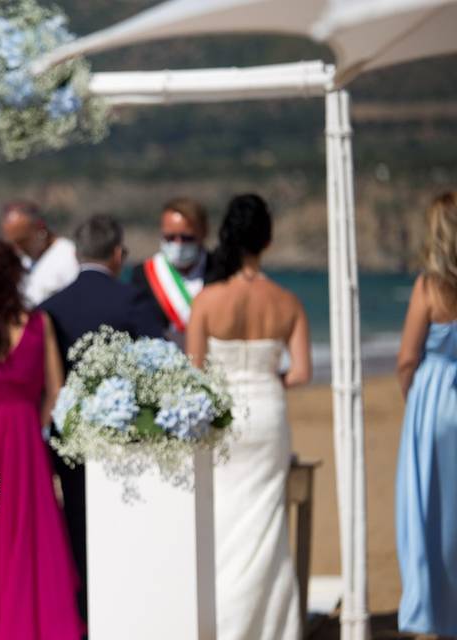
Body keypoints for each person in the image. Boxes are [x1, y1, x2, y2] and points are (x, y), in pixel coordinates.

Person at [185, 194, 309, 640]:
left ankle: (220, 624)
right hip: (268, 415)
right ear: (268, 241)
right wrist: (265, 377)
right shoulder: (287, 301)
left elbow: (193, 373)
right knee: (265, 524)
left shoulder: (208, 300)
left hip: (224, 419)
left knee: (222, 522)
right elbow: (300, 372)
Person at [0, 239, 83, 640]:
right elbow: (57, 391)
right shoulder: (40, 324)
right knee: (29, 541)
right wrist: (34, 427)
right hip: (25, 443)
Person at [38, 214, 165, 621]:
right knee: (129, 526)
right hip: (126, 435)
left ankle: (87, 615)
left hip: (70, 436)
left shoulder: (49, 309)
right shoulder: (133, 302)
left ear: (76, 255)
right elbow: (160, 366)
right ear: (117, 254)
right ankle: (126, 610)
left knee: (78, 524)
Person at [395, 191, 457, 637]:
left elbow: (406, 358)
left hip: (434, 403)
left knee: (425, 510)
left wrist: (412, 398)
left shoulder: (429, 287)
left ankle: (431, 611)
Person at [132, 197, 217, 346]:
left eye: (186, 237)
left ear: (203, 233)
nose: (178, 244)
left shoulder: (220, 270)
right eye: (170, 237)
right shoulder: (144, 274)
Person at [1, 199, 79, 305]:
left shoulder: (68, 256)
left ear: (40, 227)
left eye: (22, 241)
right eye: (12, 242)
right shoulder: (21, 261)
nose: (16, 247)